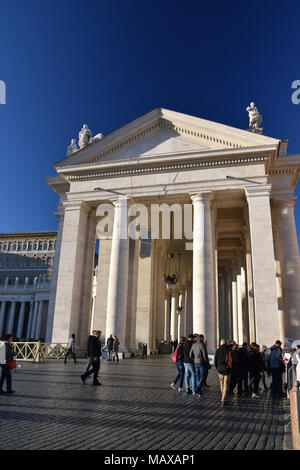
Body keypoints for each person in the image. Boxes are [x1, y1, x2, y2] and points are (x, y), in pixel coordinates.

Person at [214, 339, 232, 405]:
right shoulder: (228, 350)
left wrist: (217, 368)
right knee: (225, 384)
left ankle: (222, 395)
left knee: (221, 383)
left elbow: (215, 361)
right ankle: (223, 398)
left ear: (221, 343)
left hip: (220, 369)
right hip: (226, 369)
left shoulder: (218, 350)